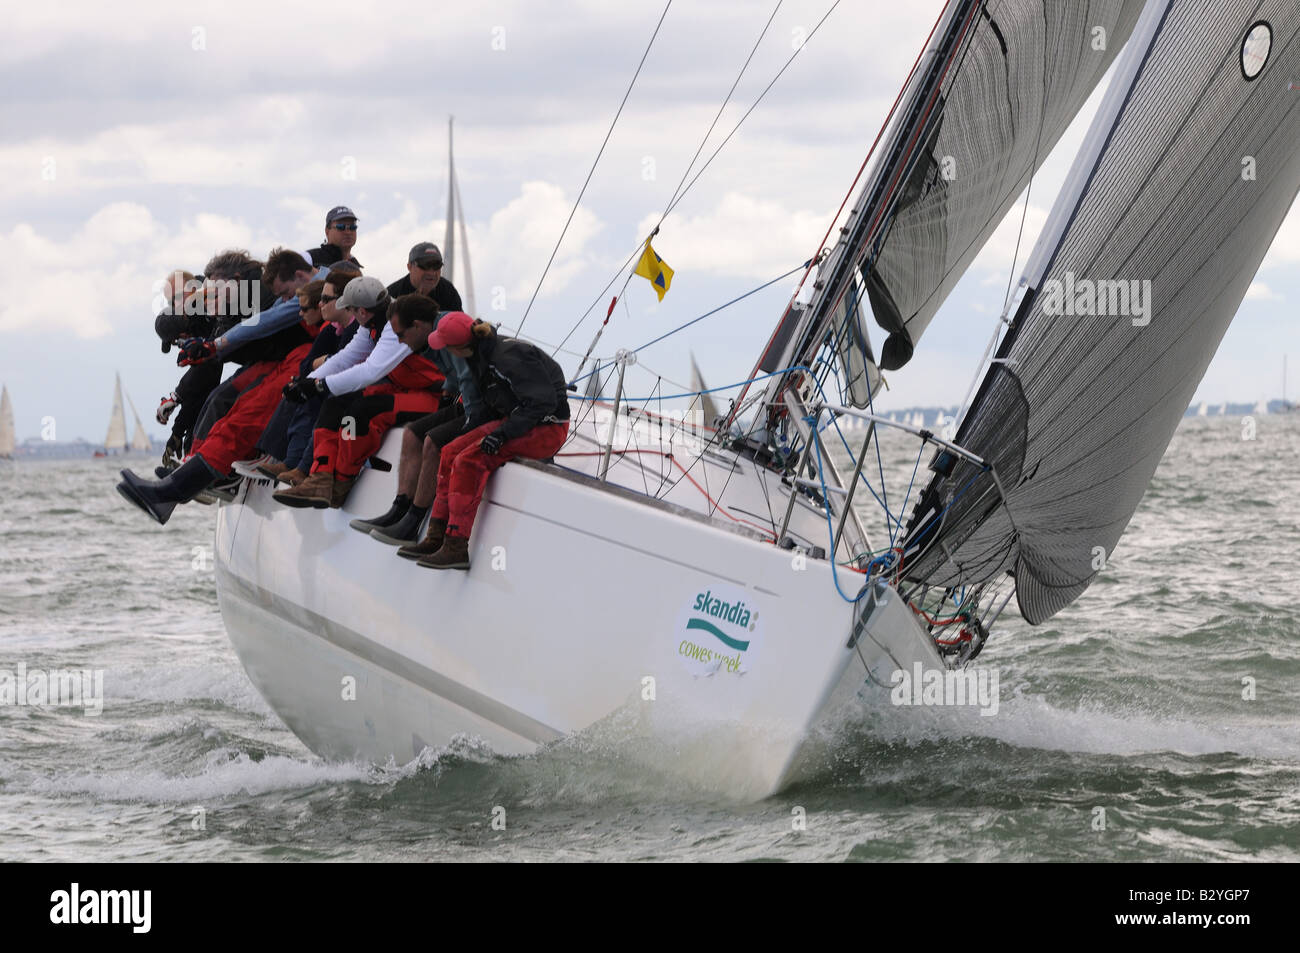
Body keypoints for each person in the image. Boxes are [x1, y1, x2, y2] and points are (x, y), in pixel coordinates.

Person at [116, 250, 328, 523]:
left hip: (300, 360)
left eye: (286, 294)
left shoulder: (285, 291)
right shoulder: (256, 294)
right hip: (289, 358)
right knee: (227, 405)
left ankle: (179, 489)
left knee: (242, 420)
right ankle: (180, 485)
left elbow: (262, 322)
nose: (286, 301)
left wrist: (212, 346)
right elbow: (252, 327)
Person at [415, 314, 571, 570]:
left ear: (457, 348)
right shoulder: (479, 356)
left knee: (468, 460)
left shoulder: (508, 359)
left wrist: (501, 434)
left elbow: (543, 404)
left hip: (547, 427)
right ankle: (435, 537)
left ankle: (456, 546)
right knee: (450, 451)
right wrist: (473, 430)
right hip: (519, 419)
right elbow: (495, 403)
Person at [272, 282, 445, 509]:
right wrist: (309, 381)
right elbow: (347, 357)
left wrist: (319, 386)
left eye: (351, 310)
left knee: (359, 414)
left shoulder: (395, 326)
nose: (349, 315)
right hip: (407, 388)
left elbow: (370, 371)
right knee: (335, 405)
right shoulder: (373, 321)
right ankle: (319, 477)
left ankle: (342, 482)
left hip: (435, 395)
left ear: (362, 312)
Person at [349, 309, 489, 549]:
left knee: (433, 441)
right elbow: (456, 376)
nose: (399, 342)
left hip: (479, 410)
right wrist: (448, 391)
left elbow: (465, 376)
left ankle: (414, 521)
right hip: (466, 403)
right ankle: (399, 508)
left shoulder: (453, 337)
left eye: (401, 335)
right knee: (412, 432)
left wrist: (319, 383)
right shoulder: (436, 335)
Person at [386, 243, 461, 312]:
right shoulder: (392, 295)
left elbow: (460, 323)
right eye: (425, 265)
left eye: (437, 265)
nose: (431, 272)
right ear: (409, 267)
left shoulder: (448, 291)